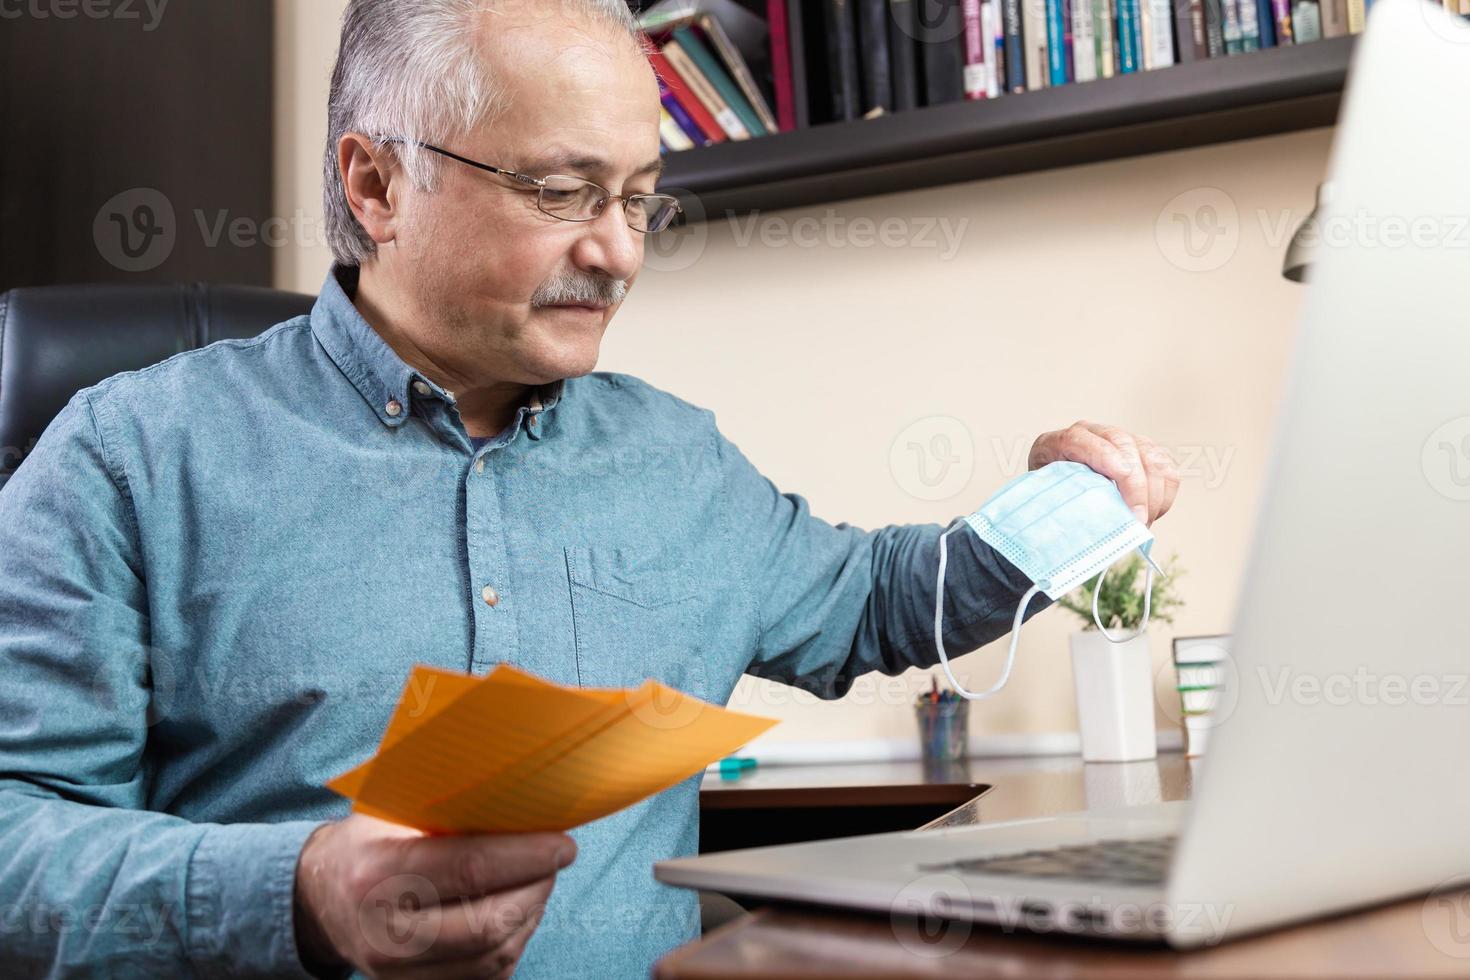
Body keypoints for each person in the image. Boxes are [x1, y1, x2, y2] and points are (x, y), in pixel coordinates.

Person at [0, 1, 1180, 976]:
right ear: (375, 187)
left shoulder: (676, 458)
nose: (619, 250)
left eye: (638, 197)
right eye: (562, 192)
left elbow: (877, 600)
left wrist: (1049, 518)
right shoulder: (131, 456)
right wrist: (298, 892)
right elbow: (15, 843)